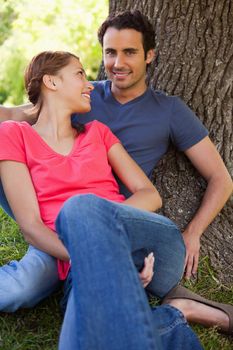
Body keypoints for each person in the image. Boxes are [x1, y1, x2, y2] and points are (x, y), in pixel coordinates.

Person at [0, 10, 232, 334]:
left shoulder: (168, 111)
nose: (117, 62)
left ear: (150, 56)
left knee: (85, 246)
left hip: (121, 219)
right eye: (110, 52)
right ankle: (169, 311)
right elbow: (23, 112)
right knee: (52, 300)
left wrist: (193, 231)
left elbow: (220, 178)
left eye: (130, 52)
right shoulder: (83, 95)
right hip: (58, 224)